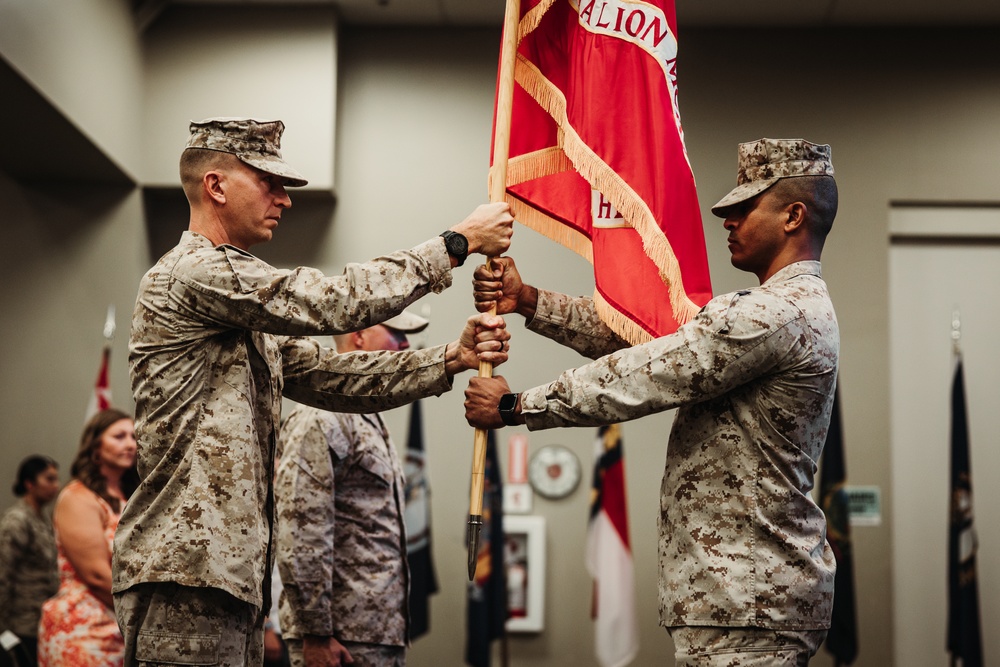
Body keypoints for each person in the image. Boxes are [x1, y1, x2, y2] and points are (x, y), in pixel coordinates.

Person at [113, 117, 514, 667]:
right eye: (269, 182)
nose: (284, 199)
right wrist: (455, 243)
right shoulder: (196, 272)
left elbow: (336, 378)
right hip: (185, 573)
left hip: (225, 577)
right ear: (216, 186)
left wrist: (452, 358)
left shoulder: (238, 313)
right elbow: (334, 302)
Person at [465, 138, 840, 665]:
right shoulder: (771, 310)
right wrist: (529, 302)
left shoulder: (778, 314)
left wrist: (516, 406)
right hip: (738, 593)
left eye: (743, 208)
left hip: (749, 596)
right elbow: (650, 343)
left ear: (793, 216)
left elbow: (649, 374)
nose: (726, 221)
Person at [275, 311, 433, 667]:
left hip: (377, 630)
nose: (406, 344)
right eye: (396, 333)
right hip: (339, 638)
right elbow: (301, 531)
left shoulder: (368, 415)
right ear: (359, 335)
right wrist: (316, 635)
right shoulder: (320, 416)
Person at [38, 408, 138, 667]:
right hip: (85, 628)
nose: (129, 444)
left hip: (121, 628)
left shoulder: (132, 497)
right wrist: (145, 620)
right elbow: (96, 576)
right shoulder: (78, 497)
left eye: (134, 437)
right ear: (95, 445)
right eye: (119, 436)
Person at [0, 456, 61, 666]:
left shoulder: (42, 519)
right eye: (49, 479)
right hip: (21, 624)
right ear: (29, 483)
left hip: (42, 621)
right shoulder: (17, 521)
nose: (56, 486)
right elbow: (3, 575)